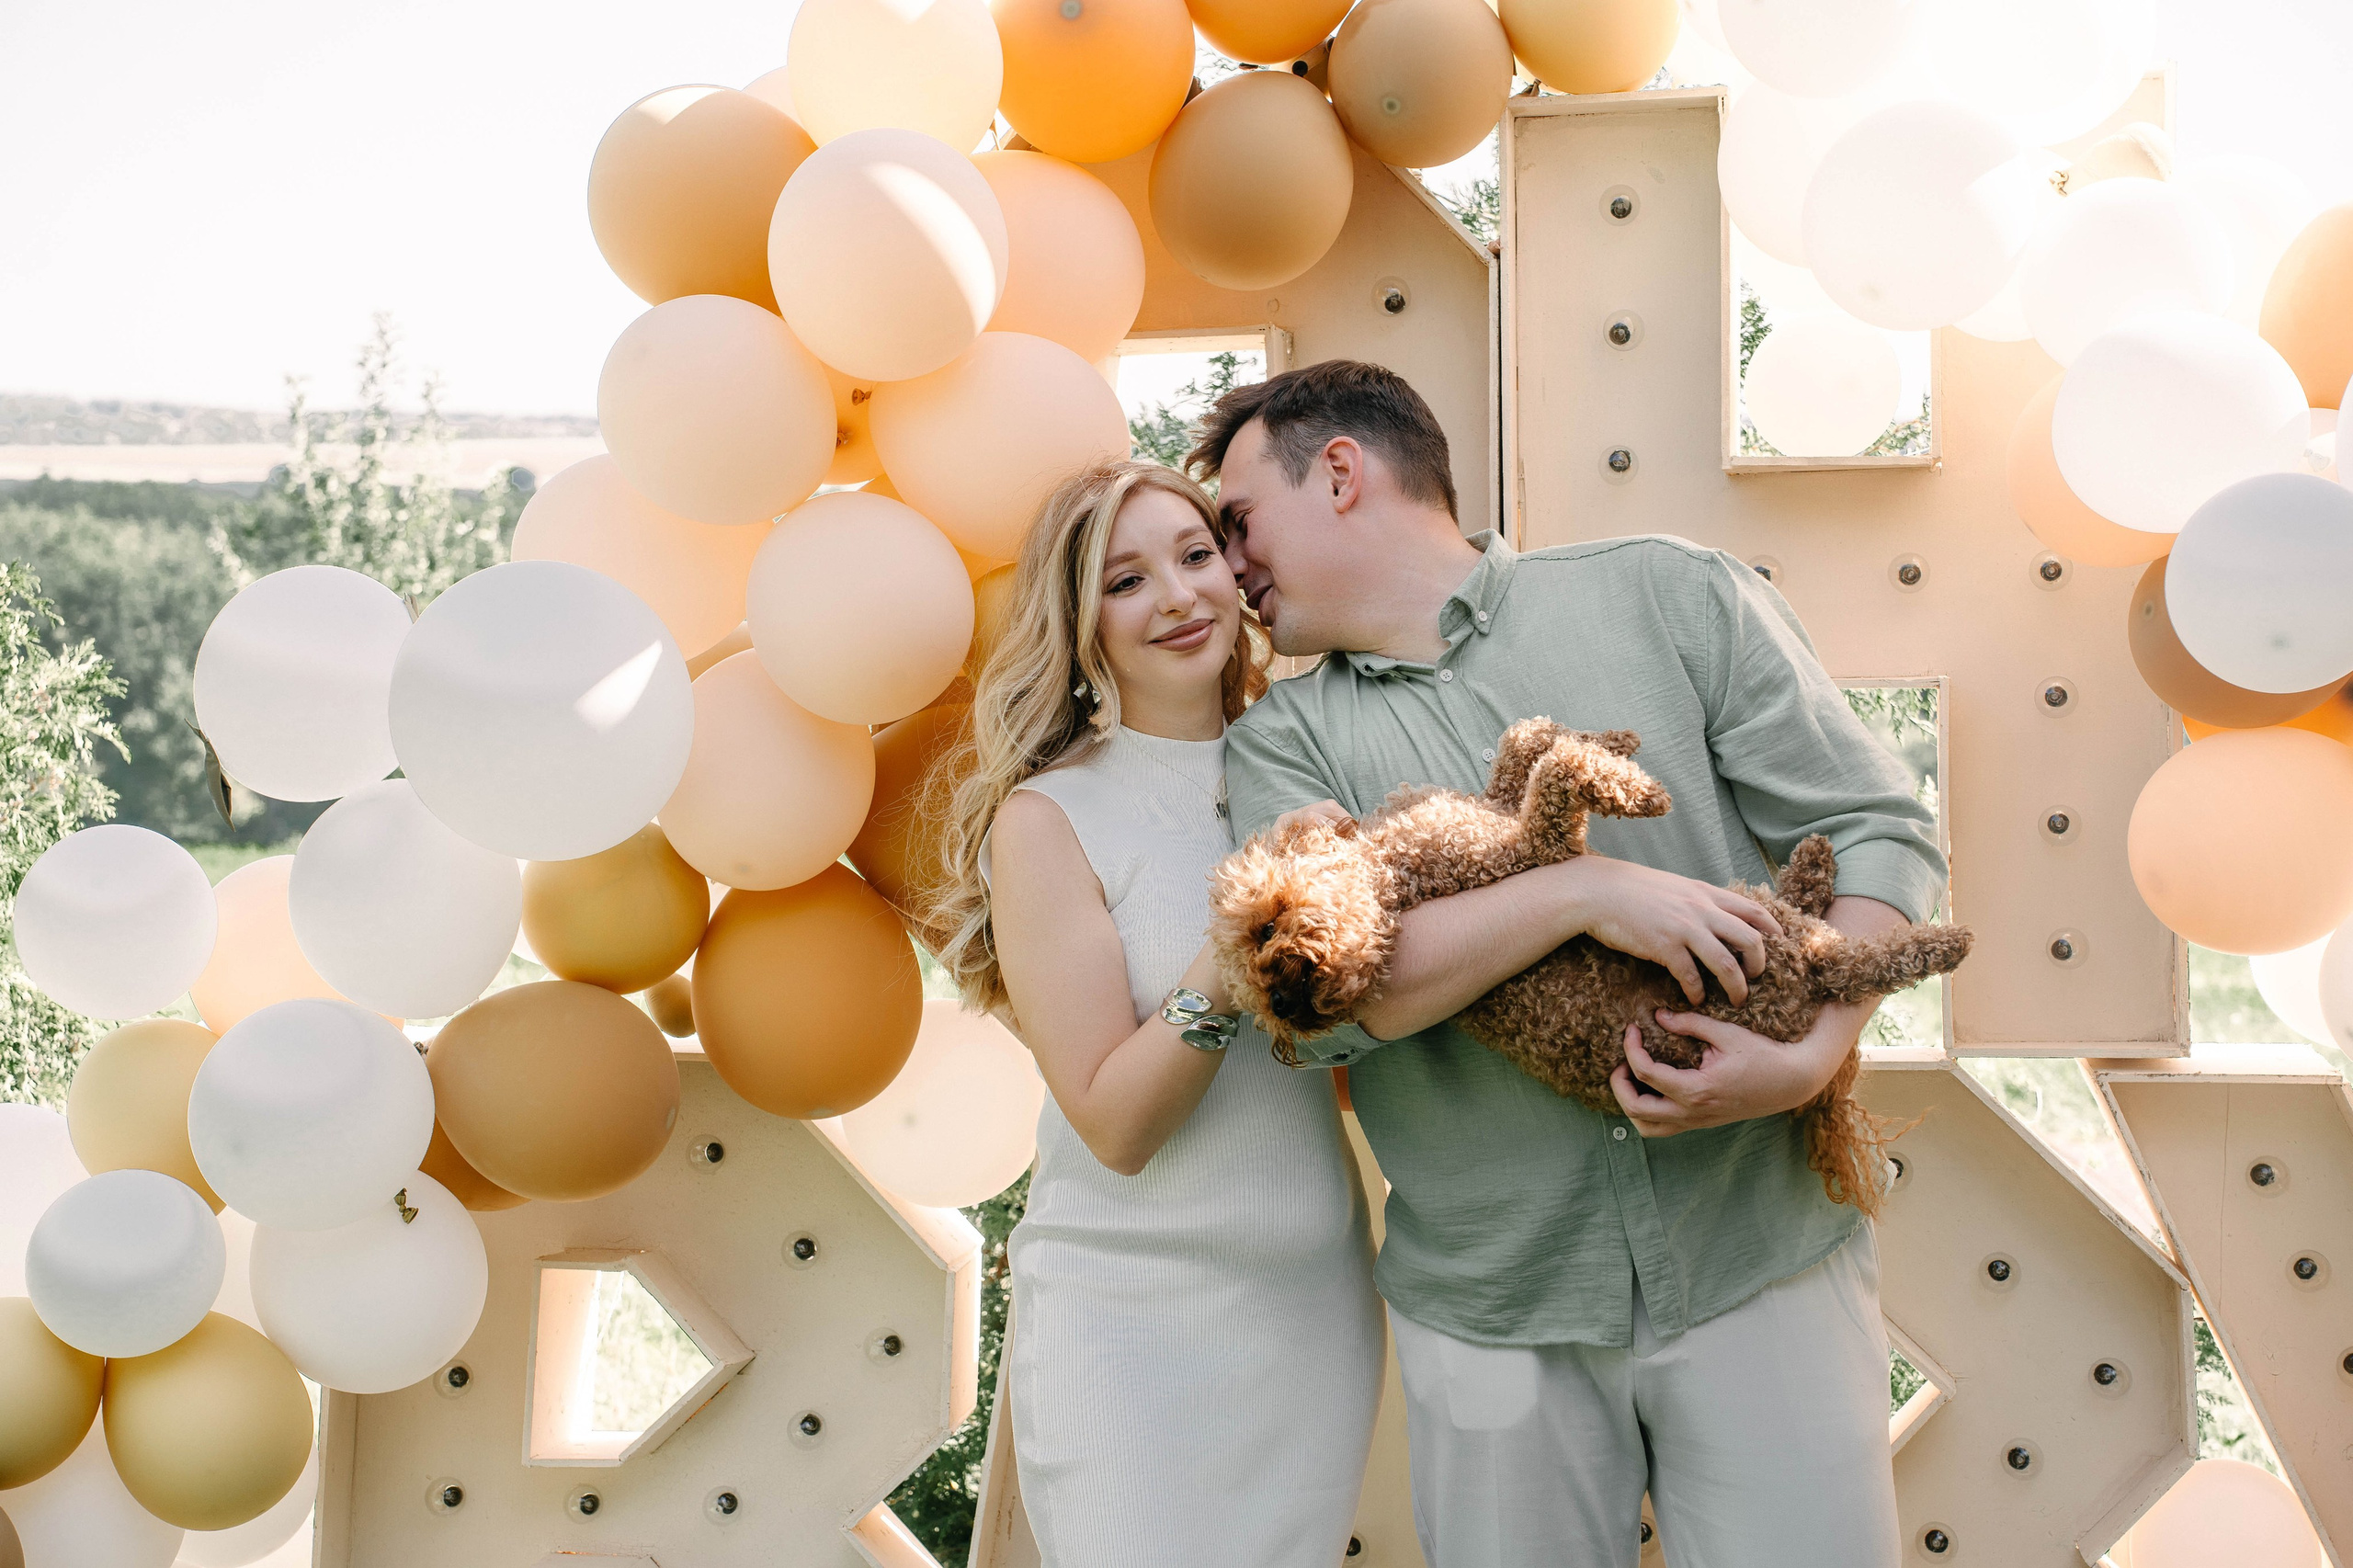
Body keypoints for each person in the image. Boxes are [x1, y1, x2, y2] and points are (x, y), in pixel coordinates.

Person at [1197, 360, 1946, 1568]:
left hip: (1766, 1257)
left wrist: (1812, 1057)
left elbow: (1872, 826)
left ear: (1338, 472)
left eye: (1239, 521)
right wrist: (1579, 891)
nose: (1228, 567)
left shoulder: (1671, 592)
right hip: (1492, 1317)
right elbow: (1320, 1006)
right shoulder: (1278, 746)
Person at [926, 457, 1383, 1567]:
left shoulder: (1313, 768)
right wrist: (1236, 940)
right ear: (1079, 622)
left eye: (1194, 555)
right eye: (1125, 580)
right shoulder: (1049, 817)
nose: (1177, 596)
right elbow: (1115, 1125)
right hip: (1123, 1319)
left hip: (1309, 1308)